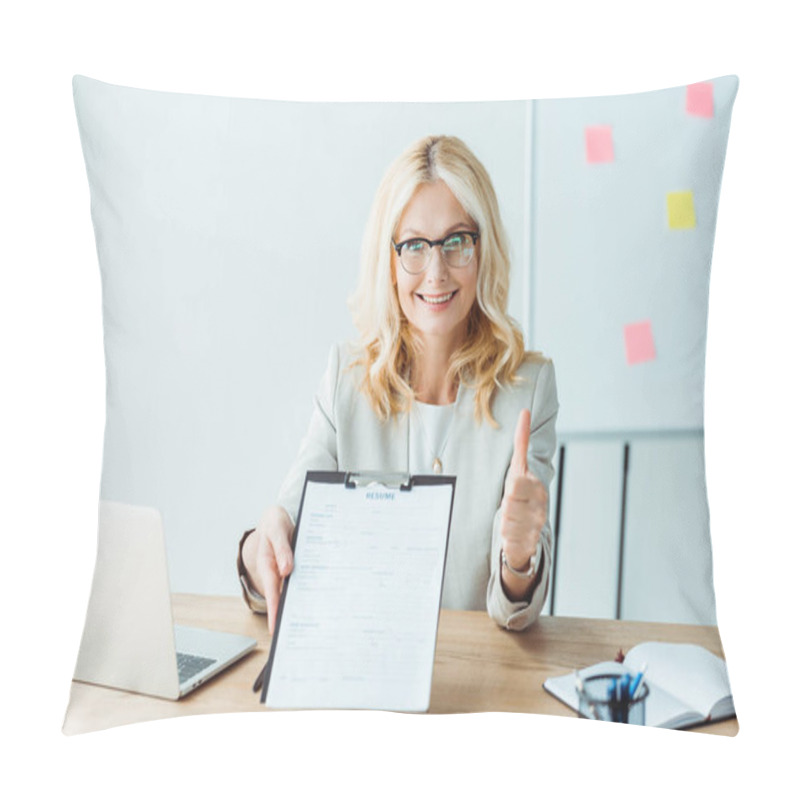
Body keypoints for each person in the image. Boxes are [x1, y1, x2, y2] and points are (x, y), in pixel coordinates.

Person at [237, 135, 558, 634]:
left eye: (456, 243)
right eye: (413, 246)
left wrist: (518, 559)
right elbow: (277, 551)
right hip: (362, 671)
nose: (435, 272)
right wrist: (261, 542)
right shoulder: (345, 381)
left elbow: (513, 612)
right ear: (388, 260)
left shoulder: (529, 389)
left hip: (473, 681)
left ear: (483, 249)